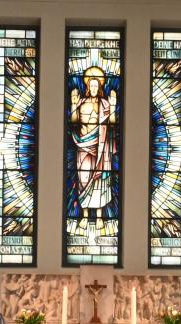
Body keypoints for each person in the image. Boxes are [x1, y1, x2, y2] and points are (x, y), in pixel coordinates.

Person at [70, 66, 117, 238]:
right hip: (82, 144)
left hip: (100, 146)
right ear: (88, 87)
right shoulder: (81, 102)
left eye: (98, 86)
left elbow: (112, 123)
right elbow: (74, 122)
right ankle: (84, 215)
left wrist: (112, 107)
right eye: (92, 85)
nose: (95, 88)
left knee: (99, 181)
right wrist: (74, 105)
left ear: (100, 88)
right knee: (83, 179)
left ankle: (98, 217)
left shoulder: (104, 103)